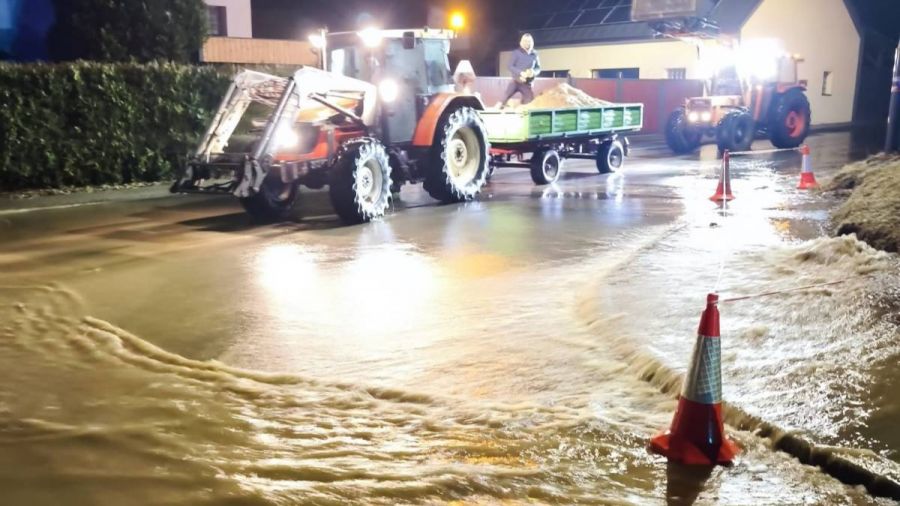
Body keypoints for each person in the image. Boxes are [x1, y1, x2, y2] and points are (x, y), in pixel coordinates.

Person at [502, 34, 541, 108]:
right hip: (515, 81)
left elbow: (538, 68)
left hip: (527, 84)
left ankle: (518, 107)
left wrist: (533, 72)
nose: (527, 43)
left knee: (529, 103)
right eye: (525, 41)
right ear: (521, 42)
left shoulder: (535, 54)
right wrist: (521, 73)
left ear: (532, 42)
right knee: (503, 100)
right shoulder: (516, 53)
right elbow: (510, 66)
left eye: (529, 41)